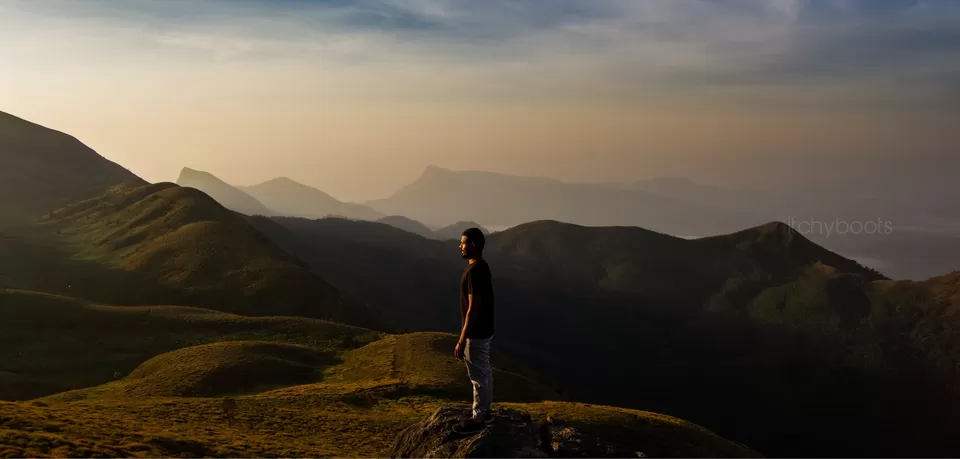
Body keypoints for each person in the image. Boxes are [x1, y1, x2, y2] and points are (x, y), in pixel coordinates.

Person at [452, 227, 496, 435]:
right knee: (485, 371)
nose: (460, 246)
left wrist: (462, 339)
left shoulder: (474, 271)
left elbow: (472, 307)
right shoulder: (483, 267)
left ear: (473, 245)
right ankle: (486, 412)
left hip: (475, 332)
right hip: (485, 329)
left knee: (477, 375)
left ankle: (478, 419)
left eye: (463, 243)